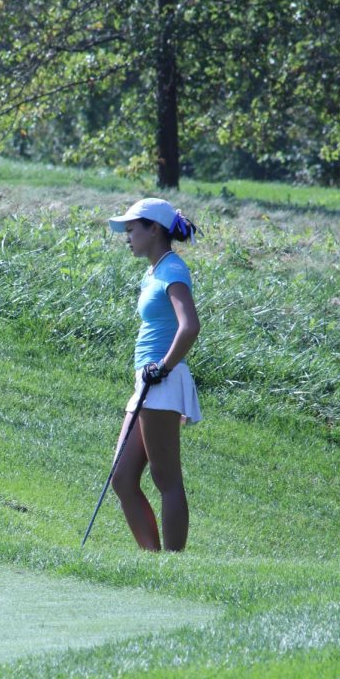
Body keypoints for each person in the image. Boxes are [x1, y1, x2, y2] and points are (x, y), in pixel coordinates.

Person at [107, 197, 201, 552]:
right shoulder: (154, 271)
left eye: (132, 230)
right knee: (122, 478)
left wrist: (163, 367)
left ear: (154, 229)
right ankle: (153, 558)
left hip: (162, 380)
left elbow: (190, 326)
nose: (127, 237)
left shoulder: (173, 269)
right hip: (148, 381)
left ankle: (172, 565)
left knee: (166, 479)